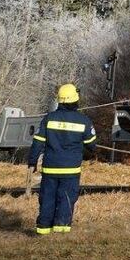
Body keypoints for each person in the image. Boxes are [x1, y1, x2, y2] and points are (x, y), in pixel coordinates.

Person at [28, 83, 97, 235]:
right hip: (71, 170)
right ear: (76, 100)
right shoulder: (83, 121)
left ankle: (43, 230)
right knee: (66, 199)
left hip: (50, 169)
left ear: (60, 100)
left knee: (47, 199)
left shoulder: (49, 119)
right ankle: (61, 230)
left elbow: (37, 142)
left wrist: (32, 162)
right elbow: (92, 145)